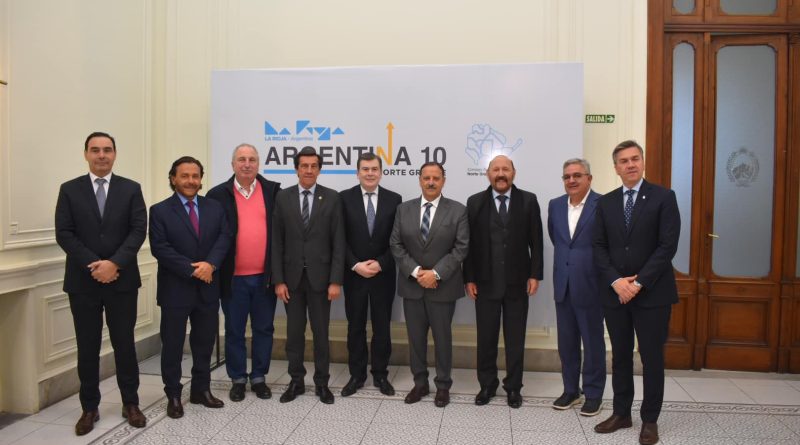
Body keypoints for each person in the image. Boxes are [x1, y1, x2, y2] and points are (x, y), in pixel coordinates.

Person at [55, 131, 148, 435]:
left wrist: (114, 263)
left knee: (125, 345)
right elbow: (64, 233)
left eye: (107, 149)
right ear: (86, 154)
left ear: (115, 154)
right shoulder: (69, 190)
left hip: (122, 281)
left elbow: (138, 230)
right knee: (87, 347)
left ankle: (131, 403)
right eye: (95, 150)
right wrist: (95, 265)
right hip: (83, 282)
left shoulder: (131, 189)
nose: (101, 155)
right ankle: (89, 407)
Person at [592, 140, 680, 445]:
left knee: (652, 358)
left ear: (642, 161)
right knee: (620, 356)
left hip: (653, 293)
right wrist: (617, 282)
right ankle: (621, 413)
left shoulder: (664, 197)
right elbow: (598, 247)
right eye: (624, 161)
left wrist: (638, 283)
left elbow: (667, 246)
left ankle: (650, 420)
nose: (630, 164)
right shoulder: (606, 202)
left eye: (635, 159)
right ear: (615, 168)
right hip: (616, 294)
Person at [149, 156, 232, 419]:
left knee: (204, 343)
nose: (190, 181)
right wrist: (194, 269)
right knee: (173, 345)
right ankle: (173, 395)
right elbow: (160, 248)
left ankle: (201, 390)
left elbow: (224, 238)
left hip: (208, 288)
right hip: (175, 289)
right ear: (173, 178)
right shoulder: (160, 210)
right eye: (184, 176)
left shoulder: (214, 207)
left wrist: (211, 264)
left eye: (195, 176)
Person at [463, 155, 543, 409]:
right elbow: (469, 245)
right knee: (486, 338)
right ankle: (487, 385)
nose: (500, 173)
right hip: (485, 283)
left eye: (505, 169)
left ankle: (513, 387)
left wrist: (535, 274)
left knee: (515, 340)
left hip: (518, 283)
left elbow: (537, 241)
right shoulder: (475, 202)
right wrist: (469, 278)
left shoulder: (528, 200)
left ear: (513, 173)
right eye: (496, 169)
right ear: (488, 174)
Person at [390, 162, 469, 408]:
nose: (431, 182)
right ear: (420, 180)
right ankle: (420, 383)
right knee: (416, 339)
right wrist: (416, 272)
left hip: (443, 287)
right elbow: (395, 244)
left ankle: (443, 386)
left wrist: (435, 273)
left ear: (443, 180)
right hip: (412, 287)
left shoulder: (458, 210)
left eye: (436, 178)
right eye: (426, 178)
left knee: (442, 339)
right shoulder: (403, 209)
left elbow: (461, 247)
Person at [207, 143, 281, 402]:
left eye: (252, 159)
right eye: (241, 159)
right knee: (235, 330)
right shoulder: (217, 195)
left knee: (264, 329)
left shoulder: (273, 192)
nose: (247, 164)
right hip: (232, 279)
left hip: (264, 278)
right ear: (233, 164)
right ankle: (238, 378)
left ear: (258, 164)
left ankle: (259, 377)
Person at [272, 147, 345, 404]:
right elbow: (276, 242)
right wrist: (278, 280)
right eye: (304, 166)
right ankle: (296, 381)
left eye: (314, 166)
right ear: (296, 169)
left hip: (321, 280)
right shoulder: (283, 197)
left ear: (319, 169)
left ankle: (322, 383)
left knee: (321, 334)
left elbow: (339, 242)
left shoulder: (332, 198)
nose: (309, 170)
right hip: (291, 280)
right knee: (294, 335)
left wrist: (336, 280)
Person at [339, 153, 402, 397]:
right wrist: (355, 265)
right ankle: (357, 375)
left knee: (382, 328)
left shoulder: (394, 199)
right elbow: (340, 238)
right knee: (355, 327)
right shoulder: (344, 198)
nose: (370, 173)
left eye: (374, 169)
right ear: (357, 173)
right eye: (365, 169)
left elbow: (397, 239)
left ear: (381, 172)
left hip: (383, 275)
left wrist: (381, 264)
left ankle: (380, 374)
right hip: (354, 275)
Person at [547, 158, 606, 416]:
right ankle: (571, 390)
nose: (571, 180)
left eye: (577, 175)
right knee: (567, 343)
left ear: (589, 178)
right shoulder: (555, 205)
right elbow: (558, 240)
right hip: (563, 285)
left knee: (592, 344)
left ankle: (593, 394)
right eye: (567, 176)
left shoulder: (602, 204)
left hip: (592, 285)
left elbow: (607, 243)